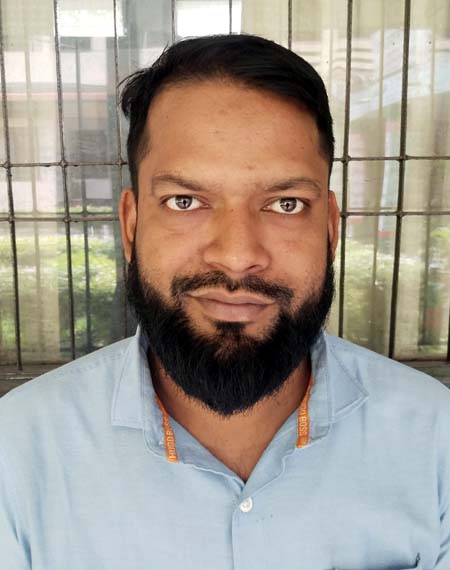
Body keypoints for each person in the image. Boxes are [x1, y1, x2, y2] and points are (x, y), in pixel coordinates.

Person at [0, 34, 448, 570]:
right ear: (131, 224)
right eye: (184, 200)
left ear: (330, 228)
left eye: (286, 204)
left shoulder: (435, 440)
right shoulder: (17, 453)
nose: (237, 258)